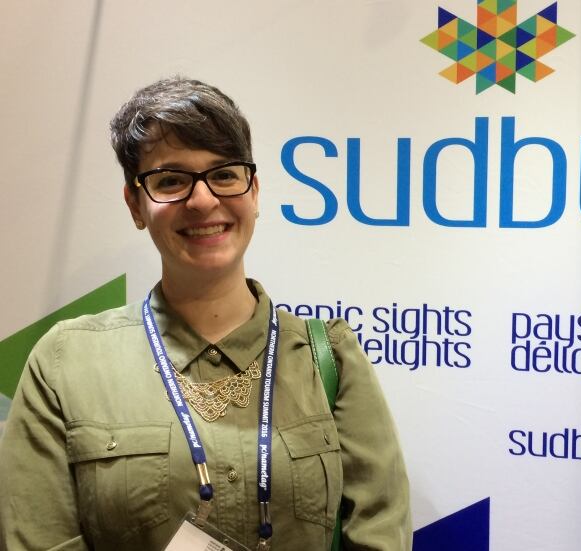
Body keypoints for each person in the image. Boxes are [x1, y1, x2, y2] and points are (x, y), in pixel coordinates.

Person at [0, 77, 411, 550]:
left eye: (223, 174)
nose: (202, 200)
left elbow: (380, 535)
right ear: (136, 204)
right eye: (171, 180)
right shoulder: (65, 363)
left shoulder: (329, 358)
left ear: (254, 190)